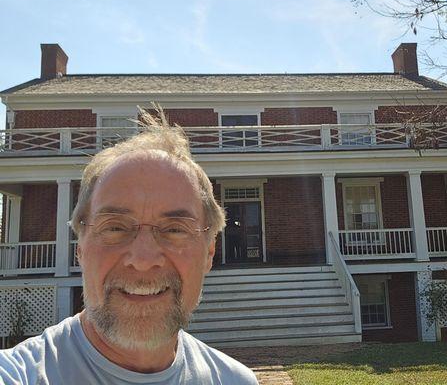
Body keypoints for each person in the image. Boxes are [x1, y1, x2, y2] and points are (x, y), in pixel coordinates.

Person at [0, 108, 258, 385]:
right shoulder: (19, 374)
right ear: (80, 249)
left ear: (209, 252)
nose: (143, 259)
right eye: (115, 227)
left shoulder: (235, 380)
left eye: (174, 230)